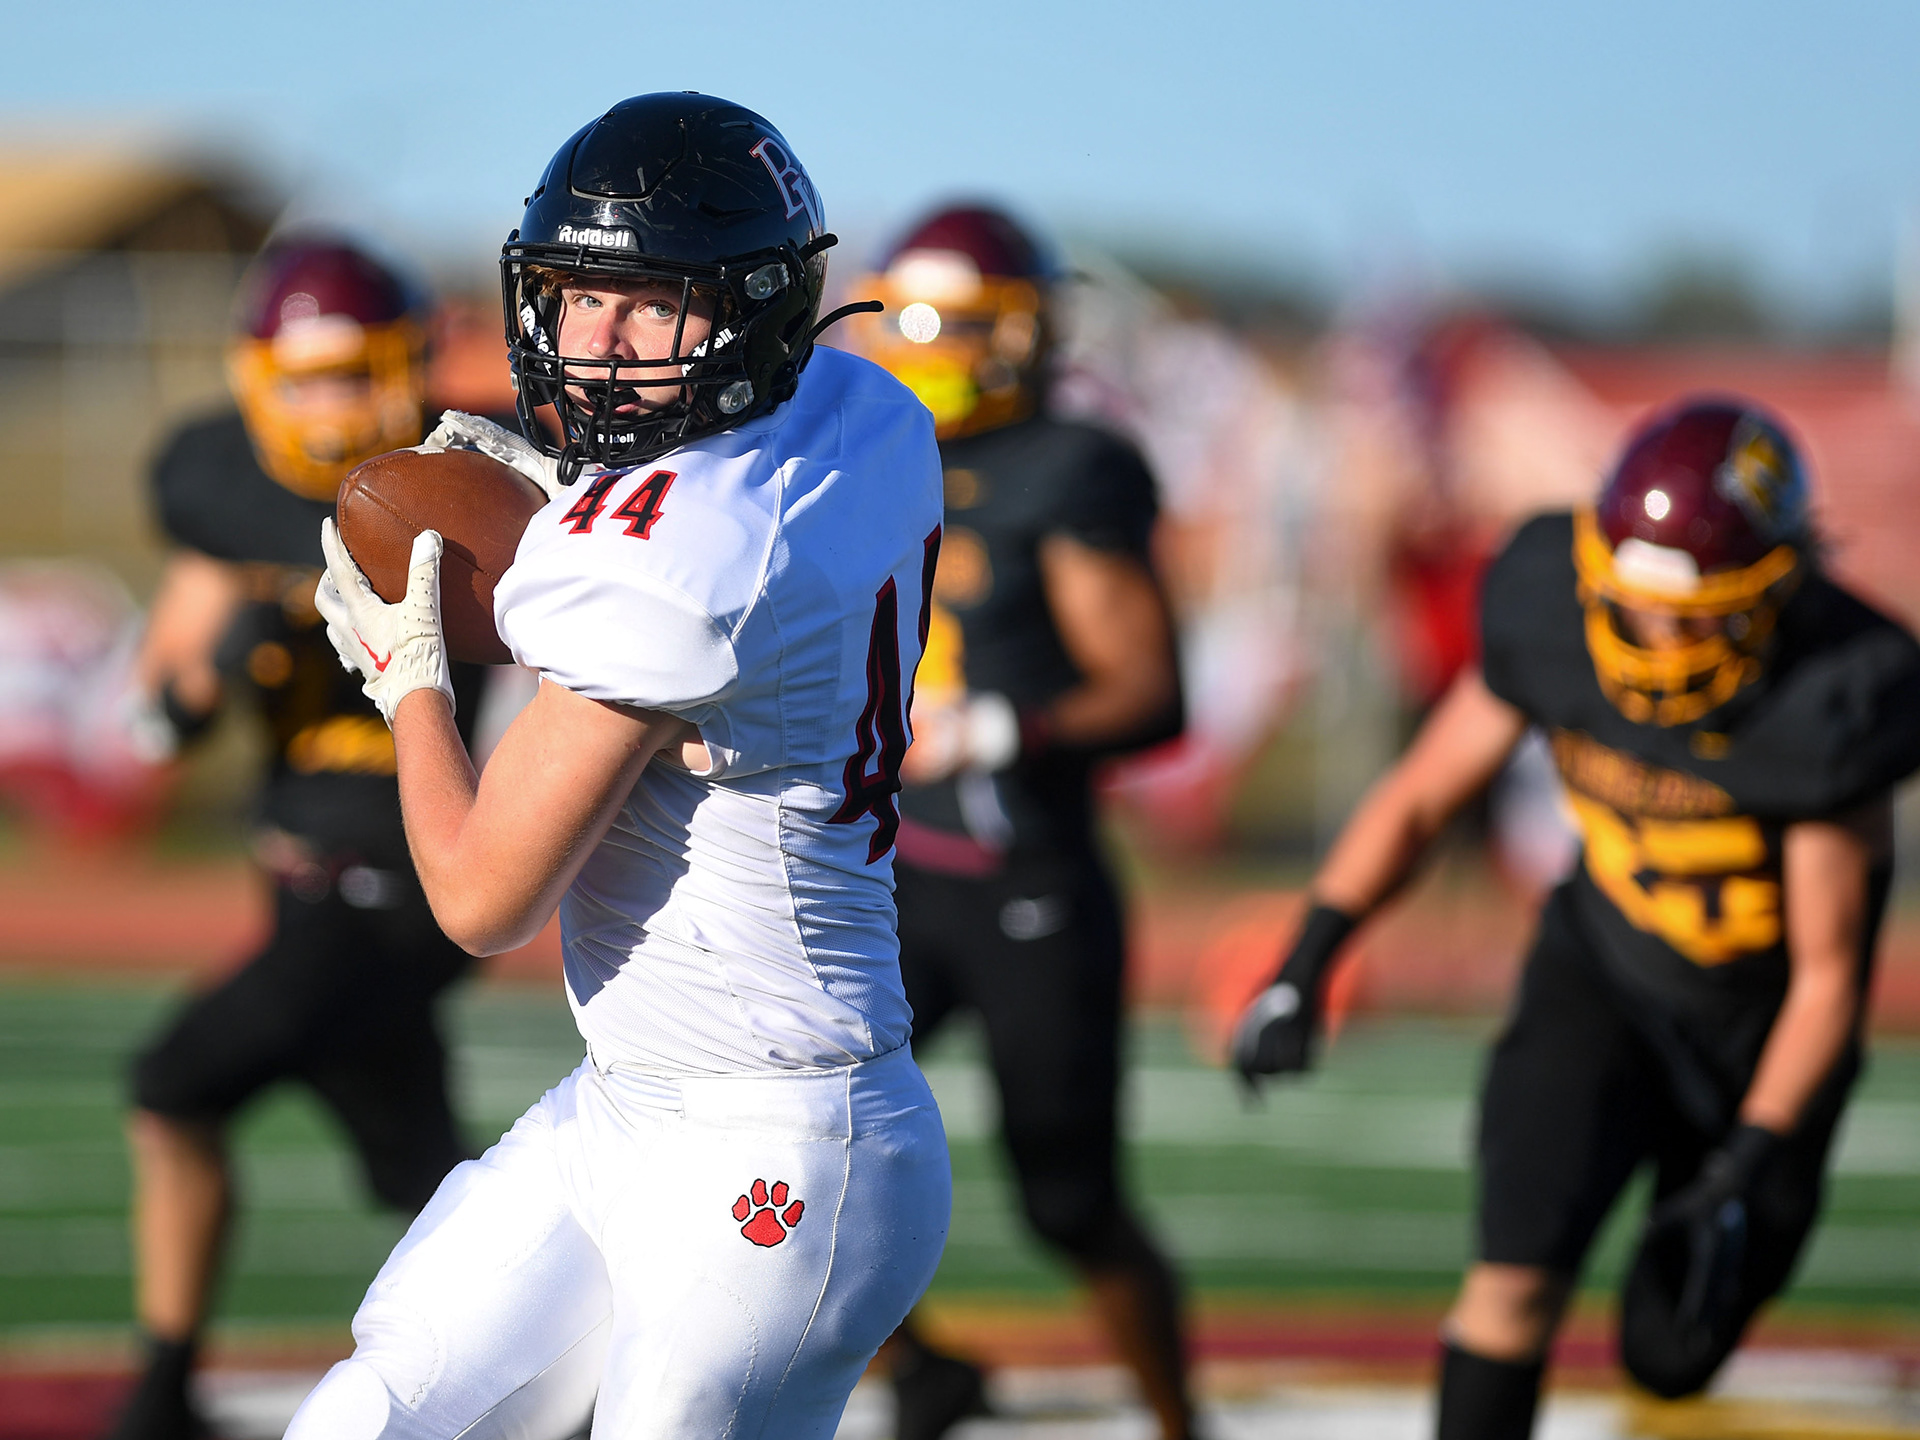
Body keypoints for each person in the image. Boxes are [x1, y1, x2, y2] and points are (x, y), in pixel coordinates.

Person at [284, 92, 951, 1440]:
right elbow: (701, 509)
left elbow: (482, 900)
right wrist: (578, 529)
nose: (597, 346)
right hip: (625, 1108)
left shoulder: (672, 569)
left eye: (650, 304)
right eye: (577, 297)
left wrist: (413, 678)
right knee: (371, 1417)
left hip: (788, 1142)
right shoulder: (865, 408)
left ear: (758, 305)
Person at [1231, 398, 1920, 1439]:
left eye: (1700, 610)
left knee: (1669, 1356)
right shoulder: (1550, 607)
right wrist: (1307, 958)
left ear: (1778, 592)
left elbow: (1830, 979)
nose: (1658, 634)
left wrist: (1747, 1161)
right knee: (1512, 1279)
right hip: (1599, 977)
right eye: (1634, 602)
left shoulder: (1836, 691)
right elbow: (1423, 794)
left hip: (1758, 1034)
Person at [108, 237, 489, 1440]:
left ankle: (161, 1394)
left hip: (406, 867)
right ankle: (574, 1389)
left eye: (352, 373)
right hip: (296, 872)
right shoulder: (222, 477)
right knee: (433, 1189)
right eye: (305, 376)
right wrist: (197, 685)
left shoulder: (459, 473)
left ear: (409, 363)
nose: (328, 404)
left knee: (172, 1085)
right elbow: (159, 705)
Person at [845, 206, 1193, 1440]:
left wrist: (1000, 728)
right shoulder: (856, 439)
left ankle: (1178, 1422)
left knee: (1070, 1202)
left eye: (962, 321)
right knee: (788, 1133)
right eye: (916, 315)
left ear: (1028, 336)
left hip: (1023, 878)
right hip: (881, 872)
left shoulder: (1068, 465)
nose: (930, 342)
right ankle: (919, 1371)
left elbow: (1153, 692)